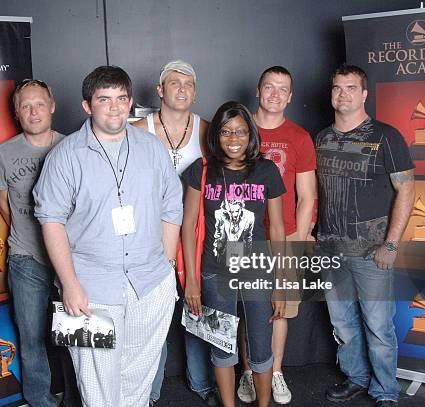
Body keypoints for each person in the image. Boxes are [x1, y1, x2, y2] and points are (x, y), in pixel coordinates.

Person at [33, 65, 183, 406]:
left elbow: (172, 208)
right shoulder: (65, 156)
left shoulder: (152, 148)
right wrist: (69, 284)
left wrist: (168, 265)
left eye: (121, 99)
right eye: (104, 99)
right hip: (90, 289)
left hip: (150, 284)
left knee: (139, 378)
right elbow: (51, 221)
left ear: (130, 102)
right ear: (88, 106)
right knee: (97, 386)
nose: (114, 107)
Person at [316, 65, 415, 407]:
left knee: (378, 327)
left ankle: (386, 390)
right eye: (337, 88)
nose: (342, 94)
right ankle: (356, 378)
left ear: (364, 94)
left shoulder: (386, 136)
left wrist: (391, 244)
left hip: (372, 251)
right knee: (342, 323)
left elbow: (406, 191)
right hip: (331, 248)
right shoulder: (322, 138)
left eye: (350, 87)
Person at [182, 101, 286, 407]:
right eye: (226, 131)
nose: (233, 138)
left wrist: (281, 283)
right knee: (222, 347)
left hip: (256, 270)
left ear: (250, 134)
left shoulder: (266, 170)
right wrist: (191, 281)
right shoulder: (200, 172)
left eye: (240, 131)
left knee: (261, 348)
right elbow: (188, 228)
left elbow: (277, 229)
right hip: (215, 273)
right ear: (216, 136)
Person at [134, 59, 217, 407]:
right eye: (174, 83)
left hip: (196, 234)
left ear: (195, 91)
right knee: (150, 317)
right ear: (160, 91)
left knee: (197, 308)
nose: (181, 89)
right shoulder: (138, 129)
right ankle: (149, 392)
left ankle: (201, 383)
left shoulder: (208, 131)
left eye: (188, 84)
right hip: (150, 236)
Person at [235, 66, 317, 404]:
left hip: (286, 238)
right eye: (269, 87)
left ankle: (276, 370)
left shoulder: (299, 136)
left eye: (282, 89)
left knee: (279, 309)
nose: (275, 94)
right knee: (247, 309)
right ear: (258, 90)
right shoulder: (239, 130)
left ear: (290, 96)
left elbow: (307, 195)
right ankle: (248, 373)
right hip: (246, 237)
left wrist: (299, 237)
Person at [0, 78, 72, 407]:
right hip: (26, 259)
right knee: (32, 336)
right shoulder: (5, 154)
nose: (33, 111)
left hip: (72, 261)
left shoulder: (74, 147)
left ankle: (79, 396)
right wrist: (29, 233)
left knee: (75, 337)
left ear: (52, 106)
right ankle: (40, 400)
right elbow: (3, 203)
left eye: (39, 104)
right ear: (17, 112)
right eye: (26, 105)